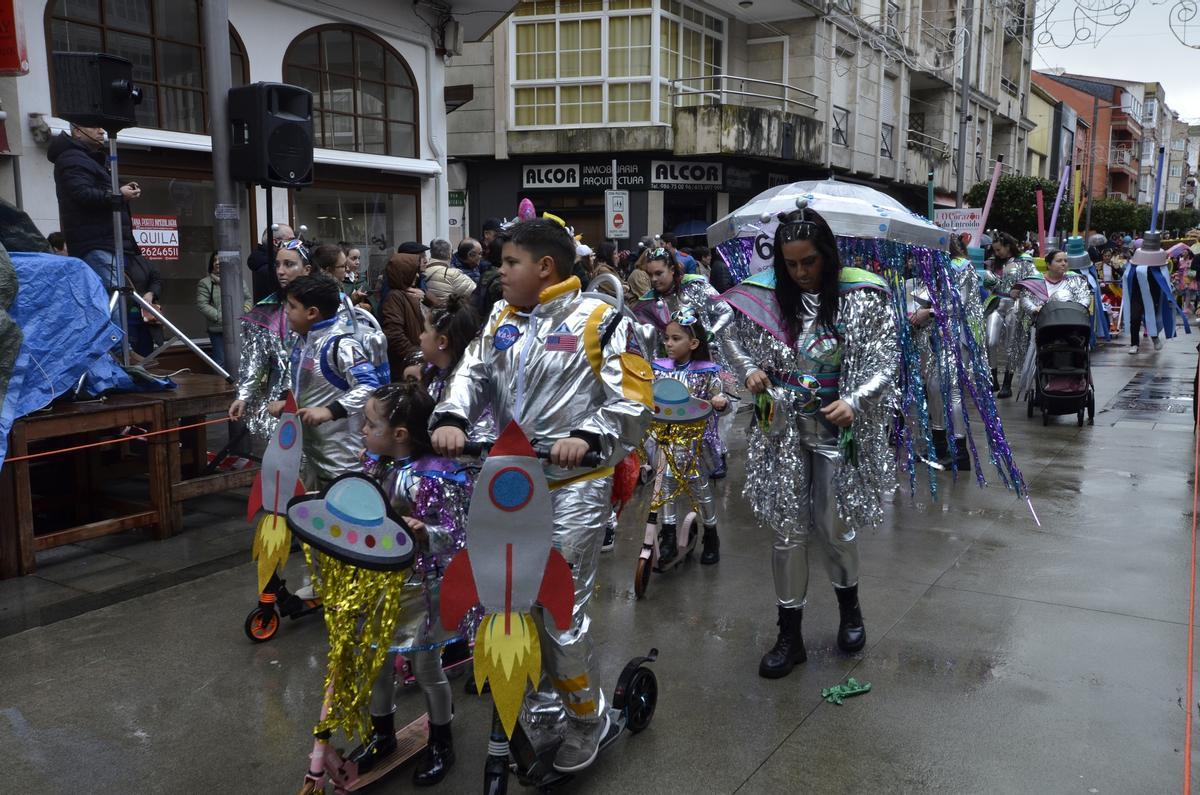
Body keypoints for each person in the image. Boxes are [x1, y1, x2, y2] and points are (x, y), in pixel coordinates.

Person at [430, 218, 652, 772]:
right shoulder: (501, 319)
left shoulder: (603, 319)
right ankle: (542, 702)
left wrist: (588, 436)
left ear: (544, 267)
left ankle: (587, 718)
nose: (497, 272)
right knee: (508, 602)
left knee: (557, 609)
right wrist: (453, 415)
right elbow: (470, 374)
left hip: (573, 486)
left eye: (508, 263)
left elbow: (634, 399)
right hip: (509, 486)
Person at [720, 206, 898, 679]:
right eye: (791, 264)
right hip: (781, 428)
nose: (800, 273)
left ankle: (851, 611)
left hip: (835, 430)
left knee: (833, 524)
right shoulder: (765, 296)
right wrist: (748, 370)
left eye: (809, 262)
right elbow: (726, 333)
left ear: (828, 256)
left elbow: (886, 360)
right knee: (788, 529)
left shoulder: (862, 294)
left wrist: (855, 401)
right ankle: (789, 635)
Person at [348, 381, 472, 785]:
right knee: (377, 663)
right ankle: (382, 735)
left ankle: (441, 741)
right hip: (379, 581)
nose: (362, 430)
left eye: (370, 423)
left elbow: (456, 532)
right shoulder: (373, 466)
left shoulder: (438, 475)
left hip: (424, 586)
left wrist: (424, 531)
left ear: (398, 434)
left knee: (426, 666)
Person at [271, 274, 386, 489]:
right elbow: (301, 382)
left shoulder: (341, 345)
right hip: (311, 453)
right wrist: (286, 402)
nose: (286, 311)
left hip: (344, 460)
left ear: (312, 312)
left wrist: (330, 411)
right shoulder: (302, 341)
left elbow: (370, 387)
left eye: (292, 306)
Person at [633, 246, 734, 476]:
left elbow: (726, 312)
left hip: (707, 358)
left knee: (716, 407)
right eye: (650, 275)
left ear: (672, 269)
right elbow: (645, 339)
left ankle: (717, 454)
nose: (654, 279)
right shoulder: (647, 304)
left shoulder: (696, 286)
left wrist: (708, 335)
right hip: (674, 367)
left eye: (659, 273)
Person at [649, 311, 729, 567]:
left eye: (675, 339)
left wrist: (720, 402)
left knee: (700, 487)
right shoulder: (659, 368)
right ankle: (669, 535)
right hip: (666, 439)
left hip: (695, 442)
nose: (668, 344)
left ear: (693, 343)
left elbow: (722, 400)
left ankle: (712, 535)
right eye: (666, 338)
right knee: (665, 487)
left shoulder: (708, 372)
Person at [229, 238, 311, 438]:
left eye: (289, 264)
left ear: (306, 269)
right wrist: (243, 396)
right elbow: (255, 360)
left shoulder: (328, 307)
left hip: (314, 399)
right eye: (277, 265)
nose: (281, 271)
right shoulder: (266, 310)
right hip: (277, 404)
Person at [47, 124, 142, 289]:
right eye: (95, 127)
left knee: (116, 300)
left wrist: (119, 191)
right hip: (97, 245)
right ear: (77, 131)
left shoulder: (87, 159)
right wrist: (118, 195)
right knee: (111, 302)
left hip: (105, 244)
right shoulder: (72, 159)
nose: (102, 131)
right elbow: (83, 194)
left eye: (102, 127)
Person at [983, 232, 1038, 398]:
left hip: (1015, 305)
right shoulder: (993, 262)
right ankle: (993, 377)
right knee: (990, 340)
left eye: (999, 249)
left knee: (1011, 345)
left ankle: (1007, 382)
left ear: (1008, 246)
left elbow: (1035, 278)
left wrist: (1020, 288)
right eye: (995, 250)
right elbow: (988, 284)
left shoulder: (1025, 261)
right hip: (996, 302)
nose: (997, 253)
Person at [196, 251, 251, 368]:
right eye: (215, 260)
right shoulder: (205, 283)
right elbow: (202, 305)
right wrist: (222, 317)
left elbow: (248, 300)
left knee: (240, 360)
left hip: (237, 328)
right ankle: (219, 386)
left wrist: (241, 313)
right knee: (220, 361)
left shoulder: (238, 280)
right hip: (217, 329)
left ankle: (238, 385)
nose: (217, 263)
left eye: (220, 260)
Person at [381, 252, 425, 376]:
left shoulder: (412, 293)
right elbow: (394, 334)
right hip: (407, 366)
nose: (417, 275)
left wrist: (426, 297)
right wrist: (417, 355)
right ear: (403, 273)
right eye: (413, 271)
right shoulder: (394, 297)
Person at [247, 224, 296, 304]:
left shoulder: (267, 262)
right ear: (276, 242)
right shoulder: (269, 268)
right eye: (291, 240)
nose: (295, 244)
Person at [423, 239, 477, 307]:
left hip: (426, 315)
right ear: (450, 254)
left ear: (431, 252)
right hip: (447, 315)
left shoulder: (421, 272)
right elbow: (476, 294)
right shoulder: (453, 274)